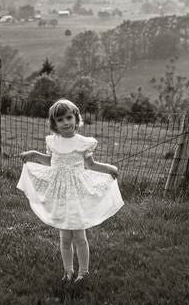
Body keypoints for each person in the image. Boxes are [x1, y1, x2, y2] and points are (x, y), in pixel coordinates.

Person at [17, 98, 123, 290]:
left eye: (68, 117)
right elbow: (51, 162)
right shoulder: (53, 141)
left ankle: (83, 272)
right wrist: (33, 154)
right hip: (60, 194)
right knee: (65, 237)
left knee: (79, 236)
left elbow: (91, 164)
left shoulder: (83, 143)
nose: (65, 123)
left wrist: (109, 168)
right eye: (60, 120)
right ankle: (68, 271)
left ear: (76, 118)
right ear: (54, 124)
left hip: (76, 193)